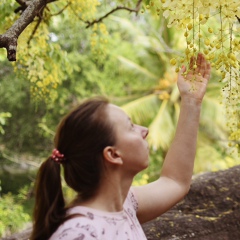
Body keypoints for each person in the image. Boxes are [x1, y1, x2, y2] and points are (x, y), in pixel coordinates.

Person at [30, 53, 211, 240]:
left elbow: (175, 181)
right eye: (131, 126)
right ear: (113, 154)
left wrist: (191, 101)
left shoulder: (125, 206)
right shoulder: (78, 233)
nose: (145, 130)